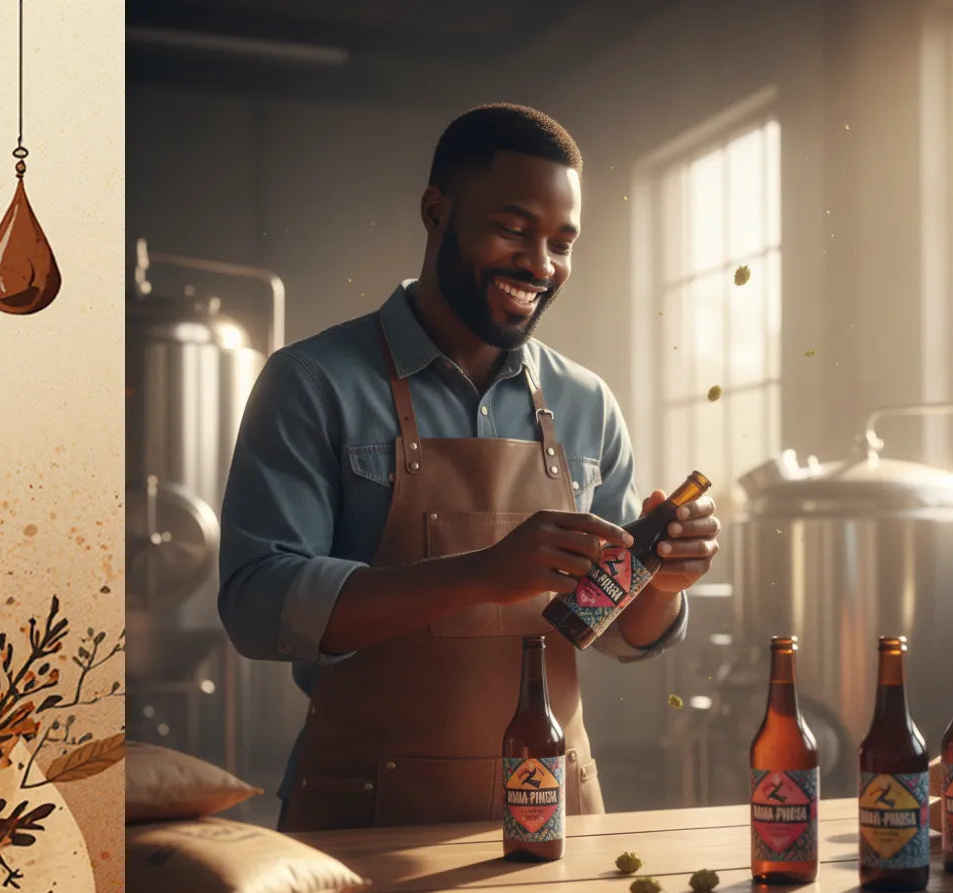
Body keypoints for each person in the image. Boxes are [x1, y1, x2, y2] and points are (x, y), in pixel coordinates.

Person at [217, 103, 721, 832]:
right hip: (360, 820)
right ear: (435, 212)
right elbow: (256, 606)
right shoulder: (313, 381)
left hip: (556, 820)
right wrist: (480, 575)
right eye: (513, 229)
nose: (540, 265)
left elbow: (611, 631)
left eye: (561, 242)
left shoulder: (588, 405)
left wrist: (664, 582)